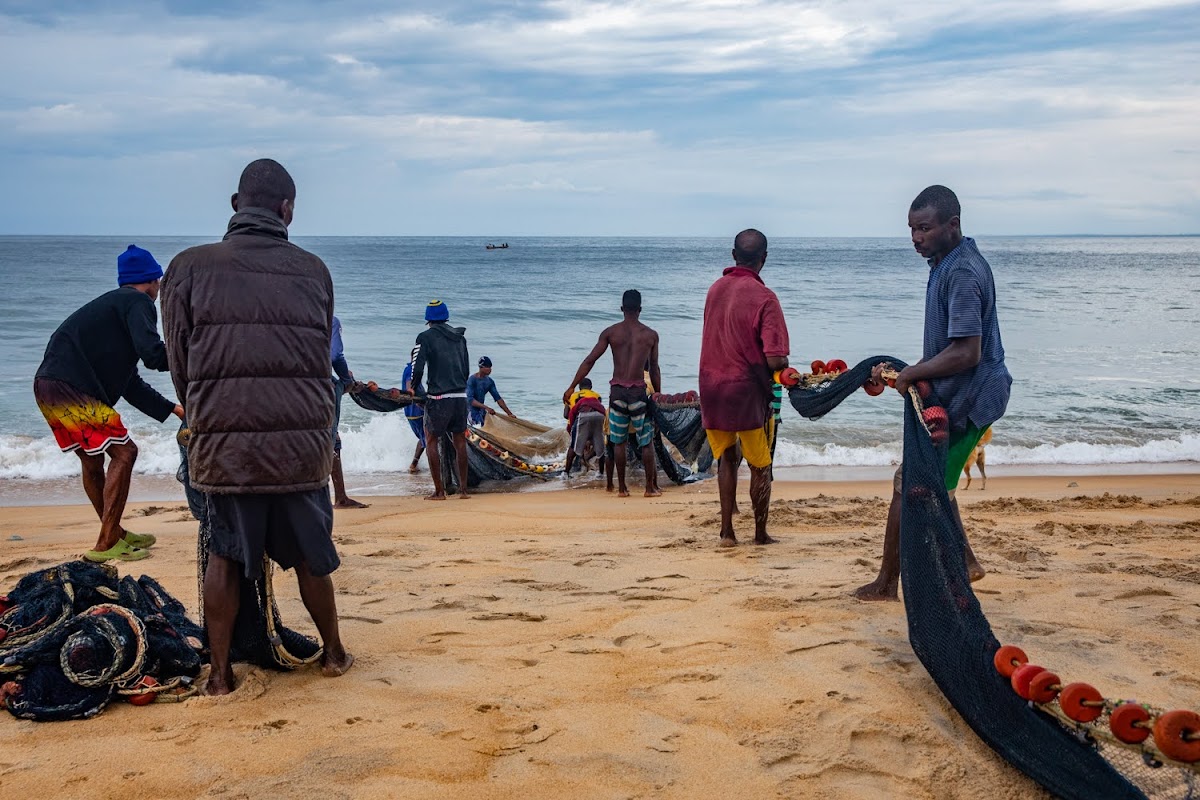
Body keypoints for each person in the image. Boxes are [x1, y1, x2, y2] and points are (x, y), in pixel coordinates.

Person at [161, 158, 353, 693]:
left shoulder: (188, 266)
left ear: (233, 205)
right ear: (288, 210)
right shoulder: (314, 269)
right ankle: (334, 653)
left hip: (226, 448)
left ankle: (220, 676)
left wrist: (209, 415)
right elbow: (319, 357)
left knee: (222, 553)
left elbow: (181, 362)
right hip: (301, 445)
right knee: (313, 556)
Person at [854, 185, 1012, 601]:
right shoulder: (946, 261)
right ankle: (966, 561)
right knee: (933, 485)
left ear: (952, 225)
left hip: (973, 400)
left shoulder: (961, 272)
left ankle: (887, 584)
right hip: (959, 396)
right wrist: (908, 373)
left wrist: (911, 375)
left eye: (924, 228)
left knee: (910, 484)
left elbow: (967, 351)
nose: (915, 238)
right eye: (911, 229)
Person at [33, 245, 184, 562]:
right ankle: (105, 543)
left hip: (48, 385)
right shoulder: (138, 302)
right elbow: (155, 355)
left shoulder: (114, 309)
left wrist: (174, 409)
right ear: (153, 281)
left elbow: (130, 383)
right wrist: (194, 353)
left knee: (92, 461)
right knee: (125, 451)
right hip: (71, 387)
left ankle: (113, 532)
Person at [699, 229, 790, 547]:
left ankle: (726, 533)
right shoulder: (765, 298)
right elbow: (776, 358)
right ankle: (760, 533)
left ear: (734, 255)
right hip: (746, 391)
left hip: (711, 388)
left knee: (726, 458)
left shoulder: (714, 290)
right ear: (763, 259)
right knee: (760, 465)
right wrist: (785, 368)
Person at [563, 289, 662, 498]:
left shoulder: (611, 332)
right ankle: (649, 488)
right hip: (637, 393)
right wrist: (658, 394)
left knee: (618, 441)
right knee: (646, 441)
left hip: (617, 394)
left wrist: (572, 386)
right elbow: (654, 368)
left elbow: (590, 360)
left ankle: (622, 489)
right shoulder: (650, 335)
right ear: (640, 309)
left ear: (621, 308)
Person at [410, 299, 471, 500]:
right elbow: (466, 368)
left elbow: (417, 366)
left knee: (431, 439)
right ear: (446, 317)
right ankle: (463, 490)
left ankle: (439, 491)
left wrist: (413, 387)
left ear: (428, 320)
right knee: (460, 441)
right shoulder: (460, 338)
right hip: (461, 396)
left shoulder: (424, 337)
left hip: (439, 397)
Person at [330, 315, 368, 509]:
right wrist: (346, 380)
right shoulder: (330, 320)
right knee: (331, 439)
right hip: (320, 385)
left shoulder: (291, 316)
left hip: (289, 386)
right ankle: (340, 497)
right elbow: (335, 355)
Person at [562, 377, 603, 475]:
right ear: (591, 387)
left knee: (573, 445)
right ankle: (601, 473)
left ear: (579, 387)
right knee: (599, 446)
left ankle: (566, 473)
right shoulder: (597, 396)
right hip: (598, 419)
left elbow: (566, 415)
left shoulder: (572, 396)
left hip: (581, 419)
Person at [466, 356, 514, 427]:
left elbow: (498, 399)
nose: (490, 369)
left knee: (489, 427)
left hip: (481, 410)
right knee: (478, 426)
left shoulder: (489, 382)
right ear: (481, 367)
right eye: (487, 367)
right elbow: (470, 400)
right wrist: (486, 407)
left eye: (490, 367)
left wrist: (509, 414)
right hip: (470, 410)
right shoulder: (472, 380)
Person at [402, 346, 427, 473]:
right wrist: (419, 402)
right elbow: (409, 387)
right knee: (428, 438)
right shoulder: (411, 369)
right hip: (416, 410)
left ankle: (414, 465)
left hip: (411, 410)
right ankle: (437, 470)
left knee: (424, 438)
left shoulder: (409, 368)